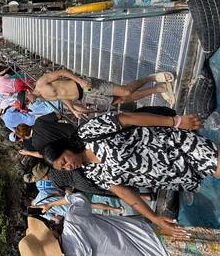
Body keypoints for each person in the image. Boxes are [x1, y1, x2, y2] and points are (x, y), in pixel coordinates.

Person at [42, 111, 220, 236]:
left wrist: (175, 121)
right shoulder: (91, 173)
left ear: (65, 148)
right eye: (63, 168)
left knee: (216, 165)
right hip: (174, 175)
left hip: (172, 145)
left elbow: (129, 119)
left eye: (64, 161)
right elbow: (123, 192)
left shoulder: (88, 133)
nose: (68, 167)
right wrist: (153, 218)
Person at [19, 194, 220, 256]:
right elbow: (78, 197)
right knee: (214, 247)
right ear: (49, 233)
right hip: (157, 241)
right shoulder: (74, 222)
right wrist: (54, 203)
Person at [31, 68, 175, 118]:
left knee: (125, 90)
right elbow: (62, 97)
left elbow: (61, 72)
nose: (30, 103)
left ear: (26, 93)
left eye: (26, 101)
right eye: (27, 105)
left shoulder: (41, 83)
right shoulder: (43, 97)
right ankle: (158, 89)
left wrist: (80, 81)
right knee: (122, 100)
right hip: (86, 97)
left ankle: (152, 77)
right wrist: (73, 109)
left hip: (85, 86)